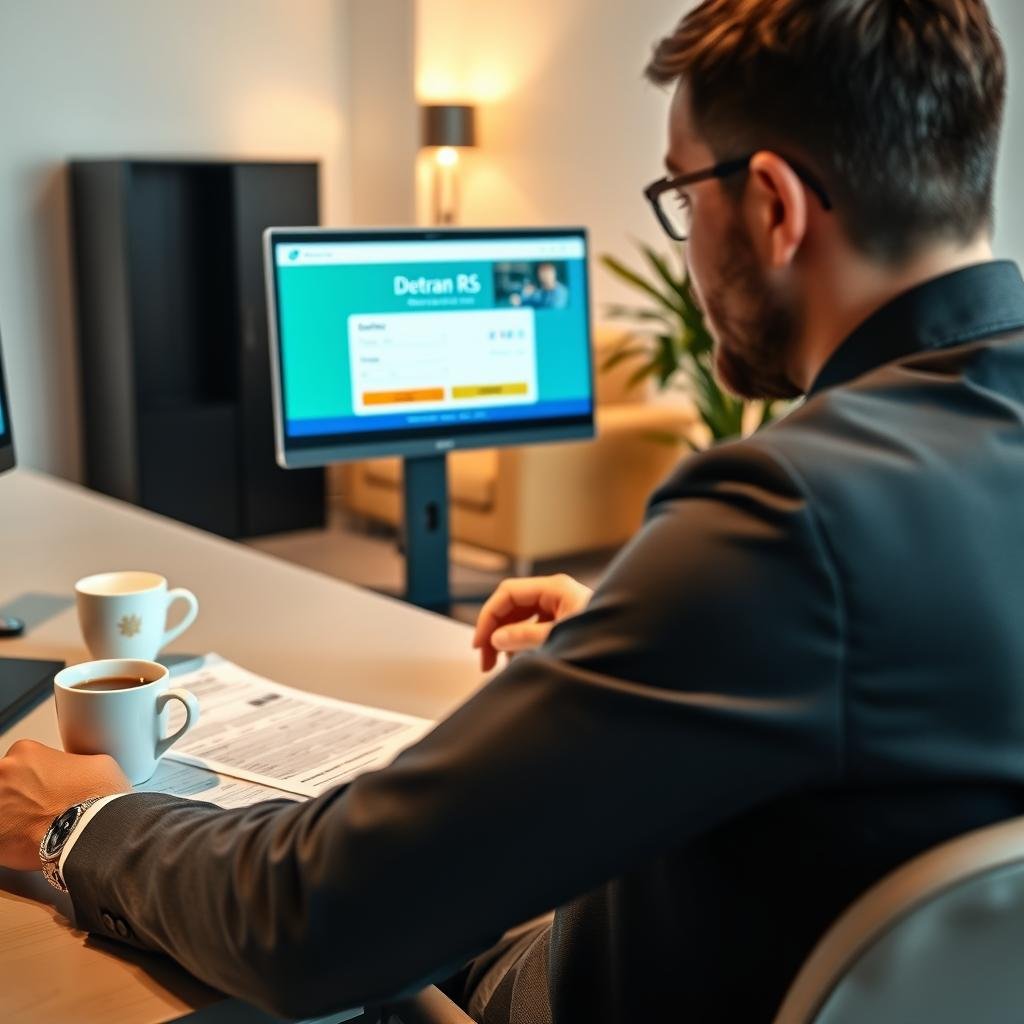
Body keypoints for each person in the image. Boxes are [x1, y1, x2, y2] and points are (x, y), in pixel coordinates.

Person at [3, 1, 1024, 1021]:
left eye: (680, 191)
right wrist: (649, 643)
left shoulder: (784, 521)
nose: (683, 239)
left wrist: (85, 823)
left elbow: (313, 918)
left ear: (771, 205)